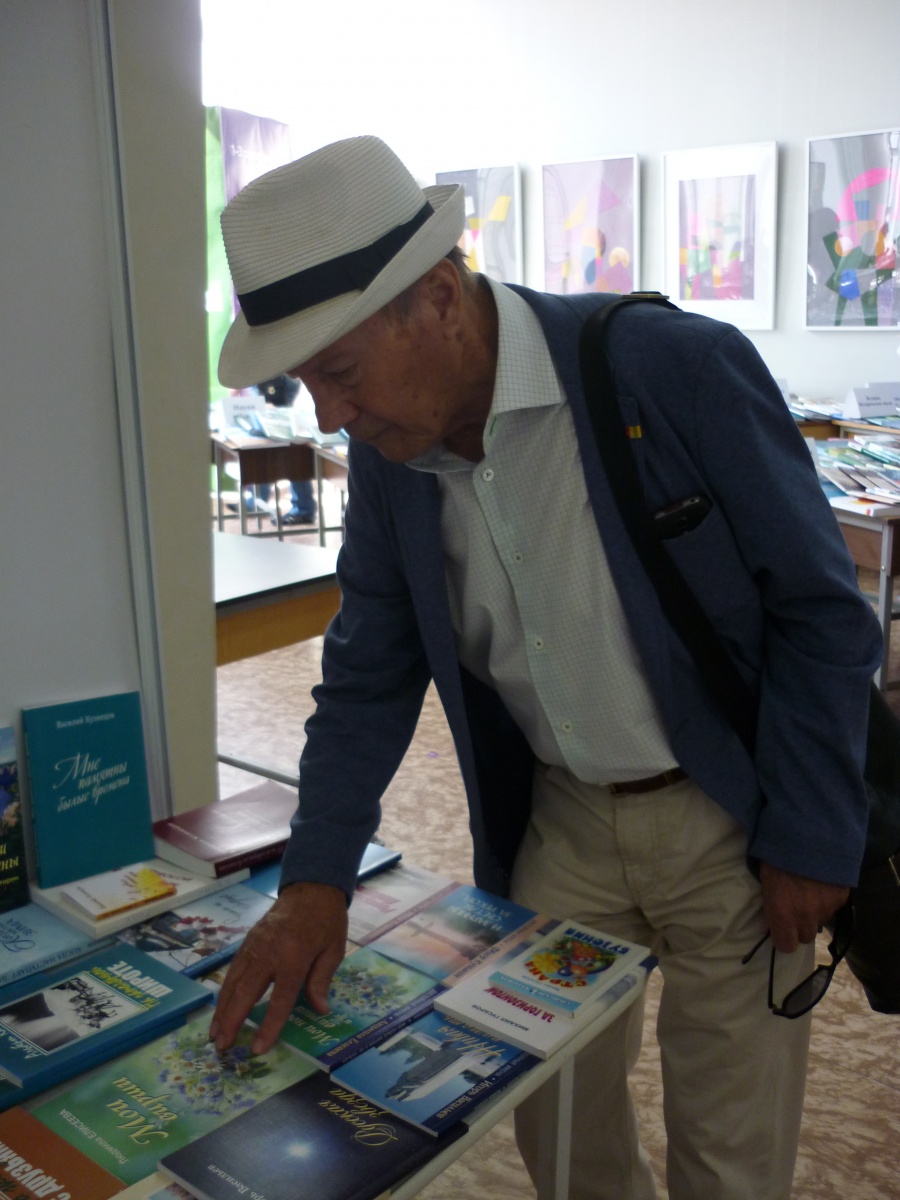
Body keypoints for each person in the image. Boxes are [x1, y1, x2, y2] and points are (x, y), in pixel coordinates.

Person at [208, 136, 882, 1200]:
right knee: (557, 1127)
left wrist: (810, 829)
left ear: (438, 298)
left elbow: (821, 612)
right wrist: (315, 878)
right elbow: (368, 670)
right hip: (557, 821)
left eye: (338, 371)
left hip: (730, 816)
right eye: (305, 384)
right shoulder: (393, 459)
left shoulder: (673, 369)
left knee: (731, 1149)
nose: (329, 417)